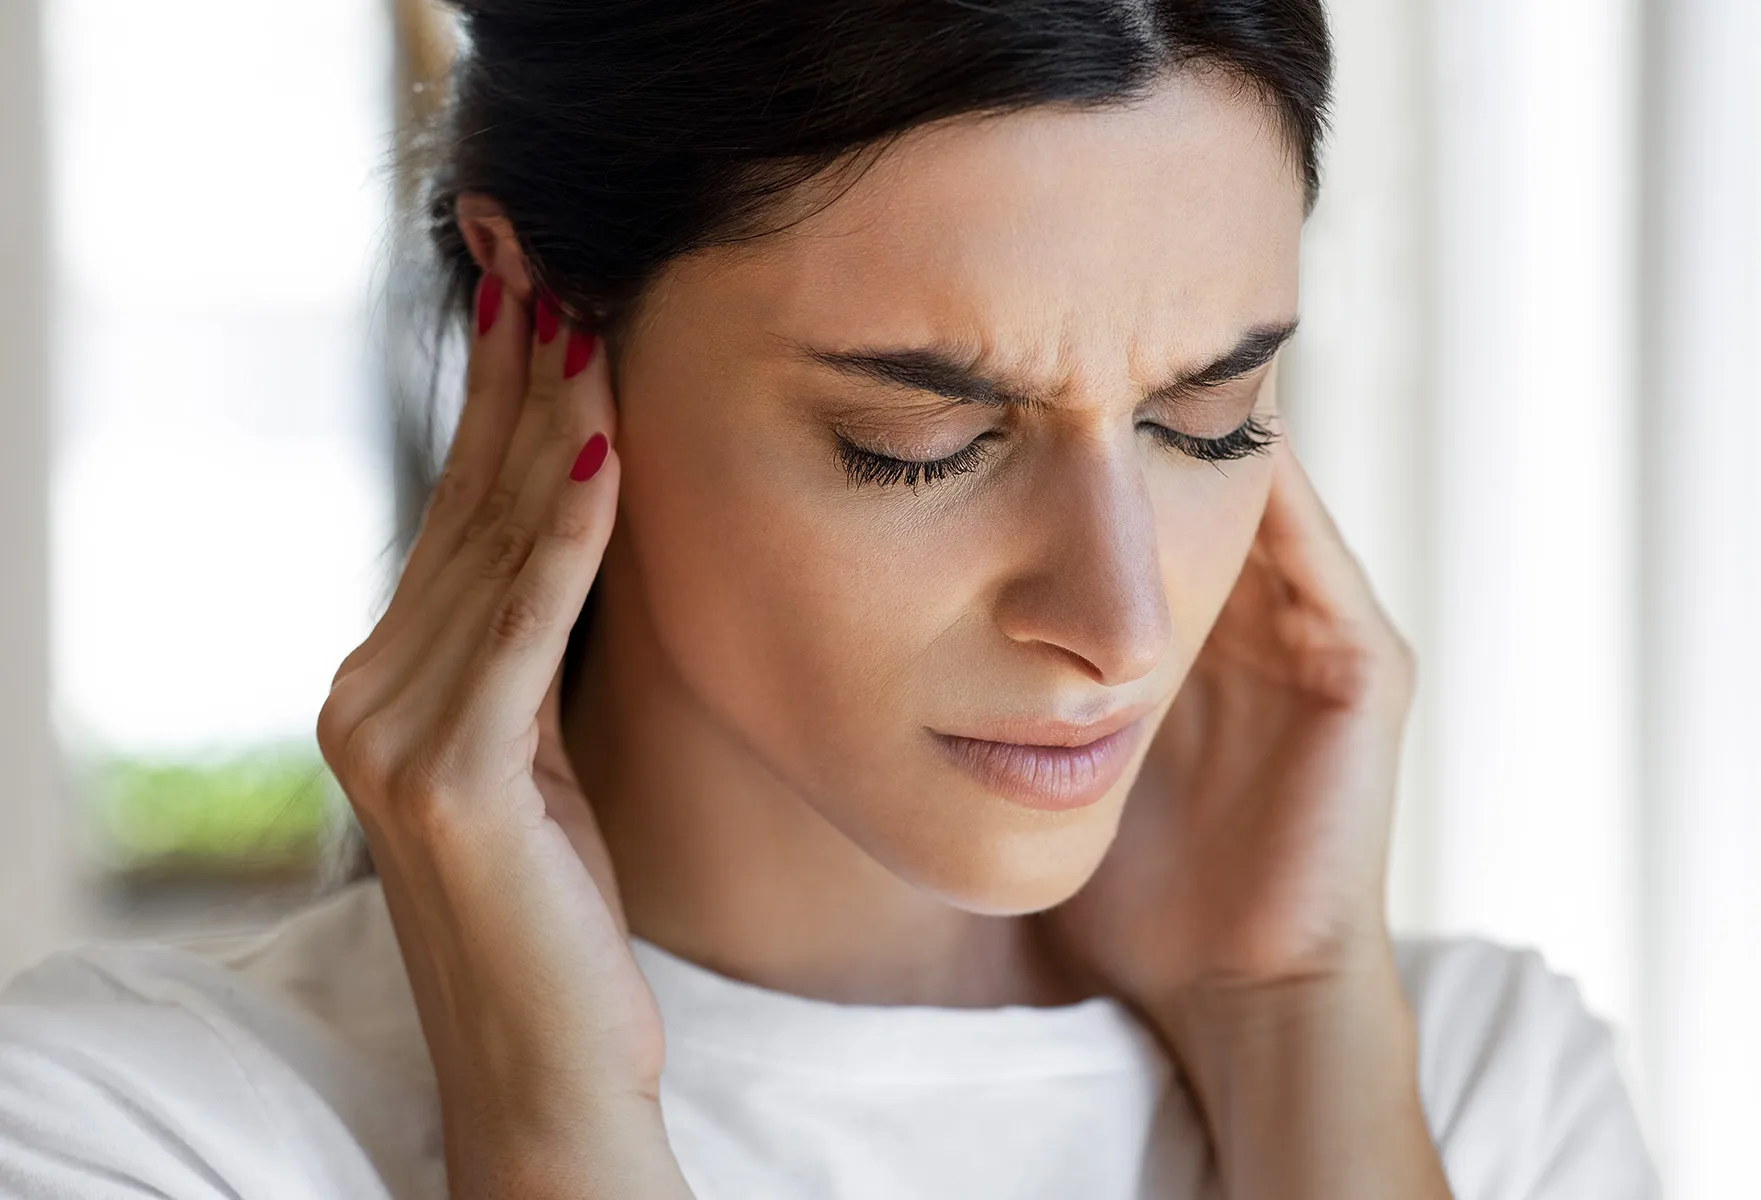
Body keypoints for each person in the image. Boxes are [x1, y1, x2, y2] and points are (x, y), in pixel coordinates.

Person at [0, 1, 1661, 1197]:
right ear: (543, 327)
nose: (1125, 619)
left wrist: (1296, 1034)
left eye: (1206, 418)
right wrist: (554, 1127)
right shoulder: (142, 1131)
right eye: (920, 440)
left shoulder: (1471, 1088)